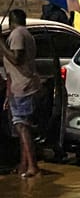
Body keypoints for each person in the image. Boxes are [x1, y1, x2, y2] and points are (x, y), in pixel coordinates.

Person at [0, 9, 41, 177]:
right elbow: (10, 70)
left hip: (23, 88)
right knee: (22, 126)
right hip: (19, 87)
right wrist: (8, 94)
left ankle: (32, 166)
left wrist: (1, 43)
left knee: (22, 127)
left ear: (12, 21)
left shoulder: (18, 34)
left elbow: (17, 59)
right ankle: (25, 165)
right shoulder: (24, 34)